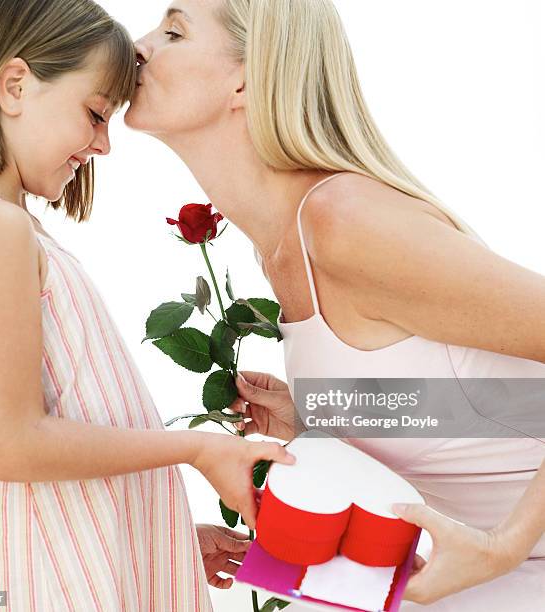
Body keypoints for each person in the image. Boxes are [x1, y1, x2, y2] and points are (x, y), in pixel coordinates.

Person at [125, 0, 545, 608]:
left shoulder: (342, 222)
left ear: (247, 78)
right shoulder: (279, 244)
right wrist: (321, 420)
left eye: (173, 31)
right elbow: (489, 410)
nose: (138, 46)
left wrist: (505, 544)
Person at [0, 1, 294, 609]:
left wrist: (159, 532)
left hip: (53, 552)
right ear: (15, 86)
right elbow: (17, 445)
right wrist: (199, 447)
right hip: (38, 572)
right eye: (96, 114)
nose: (104, 144)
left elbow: (68, 417)